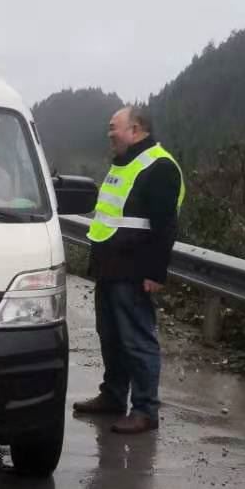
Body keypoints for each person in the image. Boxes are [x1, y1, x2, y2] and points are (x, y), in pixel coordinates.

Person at [72, 106, 185, 434]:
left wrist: (155, 273)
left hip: (134, 269)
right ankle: (113, 395)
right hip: (110, 266)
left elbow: (165, 226)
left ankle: (145, 410)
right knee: (110, 337)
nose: (109, 134)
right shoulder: (124, 163)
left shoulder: (159, 166)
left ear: (135, 130)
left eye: (114, 127)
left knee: (137, 341)